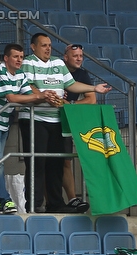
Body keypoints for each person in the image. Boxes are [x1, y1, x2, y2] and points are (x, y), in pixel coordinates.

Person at [19, 33, 110, 213]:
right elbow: (26, 86)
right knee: (37, 163)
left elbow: (71, 85)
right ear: (33, 47)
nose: (48, 48)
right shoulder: (28, 62)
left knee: (56, 163)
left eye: (49, 45)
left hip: (57, 119)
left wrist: (94, 88)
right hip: (34, 118)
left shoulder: (58, 63)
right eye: (44, 45)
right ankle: (34, 204)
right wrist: (43, 95)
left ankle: (56, 203)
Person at [0, 43, 46, 214]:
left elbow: (30, 96)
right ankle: (4, 199)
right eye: (15, 57)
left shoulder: (20, 73)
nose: (19, 60)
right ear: (6, 58)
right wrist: (39, 96)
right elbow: (11, 98)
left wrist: (47, 96)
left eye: (21, 57)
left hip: (2, 123)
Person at [60, 43, 93, 213]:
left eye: (81, 56)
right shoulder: (56, 69)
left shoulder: (82, 74)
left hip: (66, 120)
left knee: (66, 160)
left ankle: (72, 198)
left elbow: (91, 99)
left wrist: (70, 104)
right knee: (46, 162)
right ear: (65, 58)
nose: (79, 59)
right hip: (46, 117)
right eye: (75, 56)